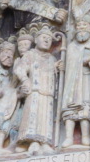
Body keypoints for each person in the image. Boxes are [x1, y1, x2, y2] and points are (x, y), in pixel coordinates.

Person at [60, 18, 90, 147]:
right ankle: (68, 137)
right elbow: (70, 63)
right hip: (72, 81)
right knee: (70, 107)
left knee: (86, 106)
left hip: (88, 79)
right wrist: (85, 59)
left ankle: (85, 136)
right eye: (78, 25)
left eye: (84, 25)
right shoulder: (72, 46)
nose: (81, 27)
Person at [15, 25, 59, 155]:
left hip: (48, 92)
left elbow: (53, 74)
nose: (46, 40)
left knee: (46, 117)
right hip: (34, 90)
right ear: (36, 40)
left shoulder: (51, 58)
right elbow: (19, 69)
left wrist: (57, 68)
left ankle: (44, 142)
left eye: (49, 39)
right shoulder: (30, 55)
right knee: (33, 115)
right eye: (44, 37)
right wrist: (25, 80)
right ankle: (32, 141)